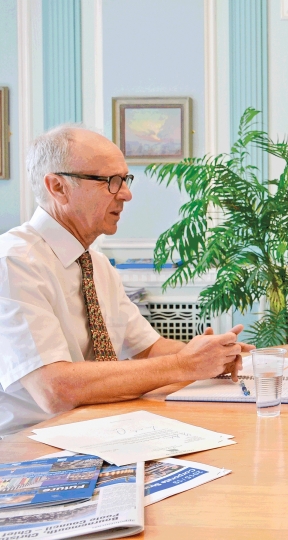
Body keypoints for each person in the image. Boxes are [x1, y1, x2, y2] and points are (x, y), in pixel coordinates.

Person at [0, 125, 254, 437]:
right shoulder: (13, 262)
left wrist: (214, 356)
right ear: (57, 187)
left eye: (125, 179)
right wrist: (186, 365)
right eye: (110, 181)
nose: (126, 193)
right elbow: (54, 389)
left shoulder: (97, 265)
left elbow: (149, 349)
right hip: (31, 448)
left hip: (105, 432)